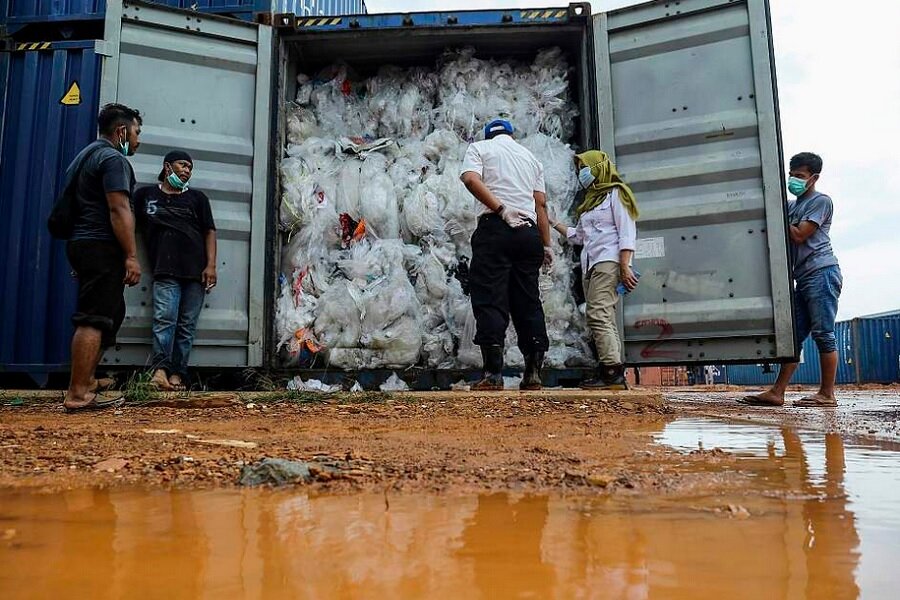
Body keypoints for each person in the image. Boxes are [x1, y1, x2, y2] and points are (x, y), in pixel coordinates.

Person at [741, 152, 841, 408]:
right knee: (792, 338)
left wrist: (777, 211)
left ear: (814, 178)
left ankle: (827, 394)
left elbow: (799, 235)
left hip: (822, 273)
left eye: (800, 176)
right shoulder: (792, 206)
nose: (793, 180)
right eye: (791, 175)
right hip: (804, 277)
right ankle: (777, 392)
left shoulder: (821, 202)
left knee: (823, 334)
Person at [460, 119, 551, 391]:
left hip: (496, 228)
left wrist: (501, 209)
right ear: (512, 135)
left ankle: (493, 374)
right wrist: (546, 245)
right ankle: (533, 373)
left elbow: (470, 179)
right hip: (529, 233)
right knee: (528, 301)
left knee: (490, 297)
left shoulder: (480, 148)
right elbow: (540, 204)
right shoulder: (531, 159)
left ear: (488, 135)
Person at [62, 103, 143, 412]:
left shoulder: (84, 157)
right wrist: (131, 256)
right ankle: (78, 393)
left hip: (84, 244)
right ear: (121, 131)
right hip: (100, 244)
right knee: (93, 318)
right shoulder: (112, 159)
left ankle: (88, 380)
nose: (137, 140)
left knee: (112, 312)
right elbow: (118, 209)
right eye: (136, 133)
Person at [551, 150, 638, 390]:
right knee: (603, 317)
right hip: (591, 266)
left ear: (598, 167)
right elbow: (578, 236)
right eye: (579, 169)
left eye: (584, 167)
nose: (582, 173)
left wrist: (624, 266)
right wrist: (552, 222)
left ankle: (612, 372)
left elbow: (627, 232)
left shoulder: (616, 194)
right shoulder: (591, 201)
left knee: (598, 315)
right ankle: (611, 369)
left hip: (609, 262)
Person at [134, 151, 217, 391]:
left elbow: (209, 232)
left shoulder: (197, 199)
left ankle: (178, 374)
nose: (187, 170)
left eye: (190, 168)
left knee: (186, 325)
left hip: (195, 272)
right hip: (165, 270)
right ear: (167, 166)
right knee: (164, 320)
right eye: (183, 165)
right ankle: (160, 371)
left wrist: (210, 265)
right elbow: (126, 220)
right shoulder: (145, 196)